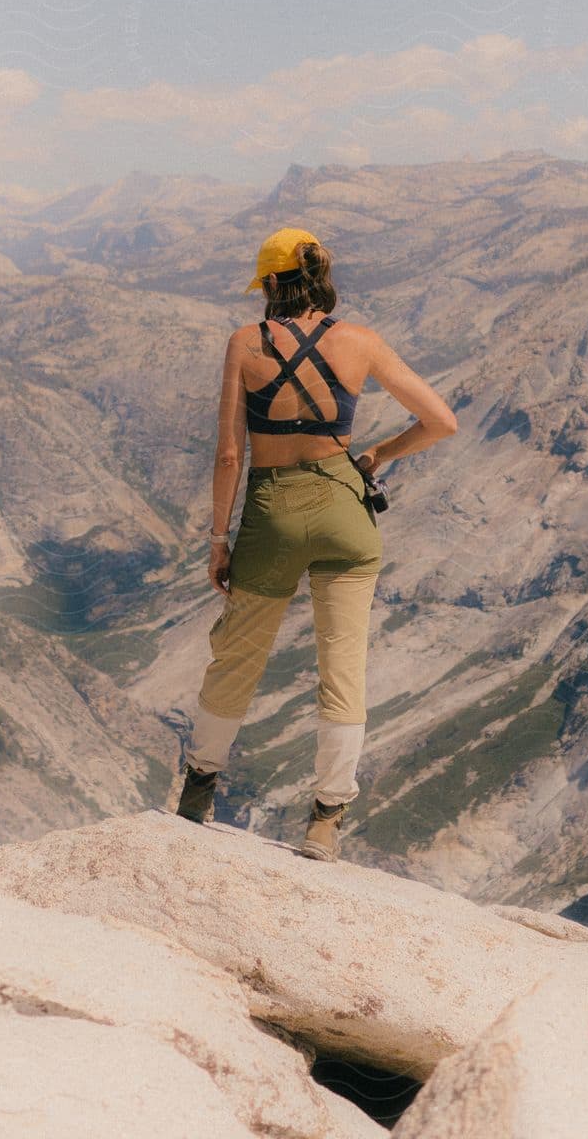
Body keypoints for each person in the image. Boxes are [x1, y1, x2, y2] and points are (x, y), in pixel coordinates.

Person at [174, 225, 458, 861]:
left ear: (272, 284)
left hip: (273, 511)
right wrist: (380, 452)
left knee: (238, 656)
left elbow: (228, 454)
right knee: (343, 665)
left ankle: (198, 789)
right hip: (345, 509)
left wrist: (219, 539)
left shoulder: (245, 344)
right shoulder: (360, 342)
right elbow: (442, 420)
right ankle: (325, 822)